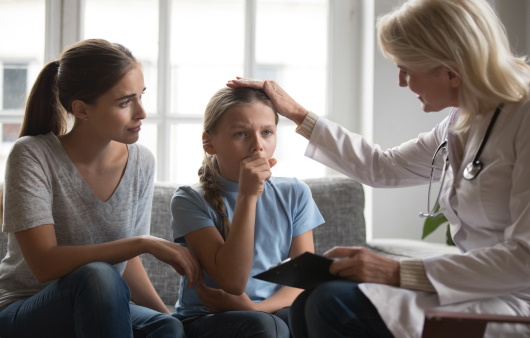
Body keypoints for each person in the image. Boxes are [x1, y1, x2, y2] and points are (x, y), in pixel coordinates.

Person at [227, 0, 530, 337]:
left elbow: (525, 259)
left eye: (407, 69)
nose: (402, 82)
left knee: (331, 304)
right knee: (309, 299)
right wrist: (297, 113)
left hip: (514, 299)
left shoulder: (524, 116)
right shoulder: (463, 121)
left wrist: (397, 272)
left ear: (450, 70)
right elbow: (380, 167)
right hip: (473, 288)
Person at [0, 38, 201, 338]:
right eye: (125, 102)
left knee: (167, 327)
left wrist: (168, 317)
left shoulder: (141, 162)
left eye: (141, 96)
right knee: (98, 276)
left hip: (101, 302)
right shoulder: (32, 155)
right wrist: (143, 242)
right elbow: (44, 264)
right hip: (25, 309)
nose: (141, 112)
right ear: (81, 109)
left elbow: (127, 261)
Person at [170, 87, 324, 337]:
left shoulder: (295, 192)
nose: (257, 146)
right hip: (206, 318)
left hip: (267, 311)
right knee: (265, 326)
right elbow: (232, 283)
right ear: (209, 143)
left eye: (266, 132)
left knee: (304, 319)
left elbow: (304, 277)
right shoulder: (189, 200)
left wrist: (256, 307)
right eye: (240, 133)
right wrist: (247, 196)